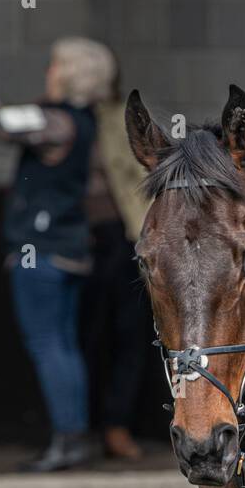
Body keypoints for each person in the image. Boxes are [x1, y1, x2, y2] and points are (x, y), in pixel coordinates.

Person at [0, 37, 116, 471]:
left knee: (48, 345)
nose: (48, 72)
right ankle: (74, 437)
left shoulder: (58, 123)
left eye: (55, 65)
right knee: (63, 346)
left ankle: (69, 439)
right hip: (68, 249)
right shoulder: (79, 121)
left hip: (42, 253)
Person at [81, 70, 152, 461]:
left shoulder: (114, 119)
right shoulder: (62, 119)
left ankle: (116, 425)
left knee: (128, 335)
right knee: (87, 336)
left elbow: (133, 176)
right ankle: (86, 427)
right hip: (81, 239)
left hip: (122, 236)